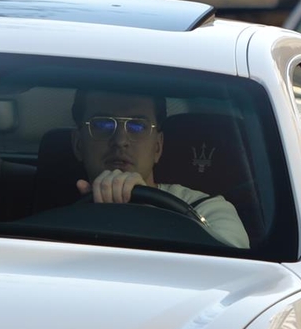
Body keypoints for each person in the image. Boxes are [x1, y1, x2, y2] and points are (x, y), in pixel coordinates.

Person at [69, 91, 249, 246]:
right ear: (78, 144)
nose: (120, 141)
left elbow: (232, 273)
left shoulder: (207, 210)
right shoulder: (46, 208)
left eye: (137, 126)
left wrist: (146, 214)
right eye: (102, 124)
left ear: (158, 146)